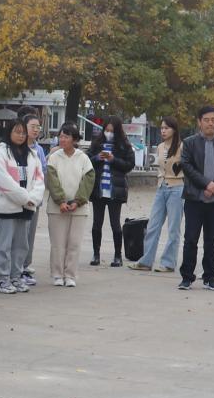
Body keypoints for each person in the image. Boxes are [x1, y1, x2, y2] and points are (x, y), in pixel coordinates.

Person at [177, 106, 214, 292]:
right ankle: (187, 277)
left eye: (213, 119)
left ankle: (210, 277)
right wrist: (206, 184)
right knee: (190, 239)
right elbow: (186, 166)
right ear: (199, 122)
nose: (210, 123)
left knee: (212, 241)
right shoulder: (189, 143)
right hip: (194, 199)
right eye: (206, 120)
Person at [0, 117, 45, 294]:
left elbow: (39, 179)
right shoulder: (2, 152)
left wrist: (33, 199)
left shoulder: (32, 154)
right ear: (9, 132)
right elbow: (1, 179)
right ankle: (3, 279)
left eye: (23, 132)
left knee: (22, 246)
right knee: (4, 246)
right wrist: (24, 197)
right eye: (17, 131)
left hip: (26, 207)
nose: (21, 136)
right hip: (7, 207)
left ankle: (16, 276)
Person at [44, 123, 95, 287]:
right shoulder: (54, 157)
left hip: (78, 208)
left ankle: (70, 275)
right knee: (58, 243)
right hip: (57, 207)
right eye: (61, 136)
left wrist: (78, 201)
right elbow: (52, 180)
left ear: (74, 139)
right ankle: (57, 274)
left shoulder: (83, 157)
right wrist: (61, 201)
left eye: (66, 136)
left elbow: (88, 180)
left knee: (74, 243)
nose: (62, 139)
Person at [130, 117, 184, 273]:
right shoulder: (160, 147)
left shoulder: (182, 146)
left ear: (174, 129)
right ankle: (146, 261)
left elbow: (188, 165)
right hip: (161, 187)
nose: (163, 131)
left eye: (166, 128)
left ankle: (168, 262)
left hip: (177, 187)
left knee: (173, 228)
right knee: (153, 225)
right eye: (161, 128)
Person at [88, 116, 133, 267]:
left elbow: (129, 164)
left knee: (115, 223)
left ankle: (118, 255)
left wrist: (114, 159)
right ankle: (96, 254)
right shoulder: (97, 143)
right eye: (106, 130)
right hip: (99, 189)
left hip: (115, 189)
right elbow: (87, 159)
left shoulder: (124, 145)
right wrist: (97, 157)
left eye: (112, 131)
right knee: (97, 223)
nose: (108, 133)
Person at [19, 113, 46, 288]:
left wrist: (35, 197)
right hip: (19, 198)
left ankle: (25, 266)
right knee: (19, 236)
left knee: (30, 235)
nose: (36, 130)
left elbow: (42, 174)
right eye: (32, 126)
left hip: (34, 200)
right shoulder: (16, 148)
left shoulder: (40, 150)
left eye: (38, 127)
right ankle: (16, 268)